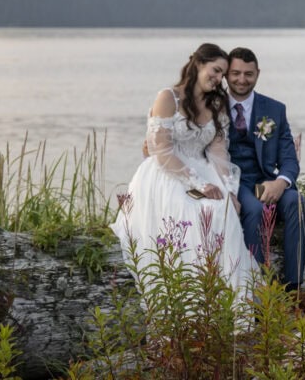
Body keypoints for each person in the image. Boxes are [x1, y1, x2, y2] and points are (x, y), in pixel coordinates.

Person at [111, 43, 258, 302]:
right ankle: (190, 298)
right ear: (198, 64)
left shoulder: (217, 103)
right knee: (193, 213)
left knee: (223, 210)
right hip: (166, 173)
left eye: (222, 74)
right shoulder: (168, 98)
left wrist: (229, 191)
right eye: (215, 70)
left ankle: (226, 300)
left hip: (204, 169)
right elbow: (161, 150)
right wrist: (199, 184)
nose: (219, 78)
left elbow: (218, 151)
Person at [226, 47, 305, 294]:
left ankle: (294, 287)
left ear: (258, 74)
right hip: (232, 181)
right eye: (236, 73)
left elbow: (289, 159)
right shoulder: (212, 107)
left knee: (297, 201)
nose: (242, 79)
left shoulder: (274, 109)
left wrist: (280, 183)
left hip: (264, 181)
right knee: (254, 209)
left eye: (248, 74)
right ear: (226, 74)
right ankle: (259, 289)